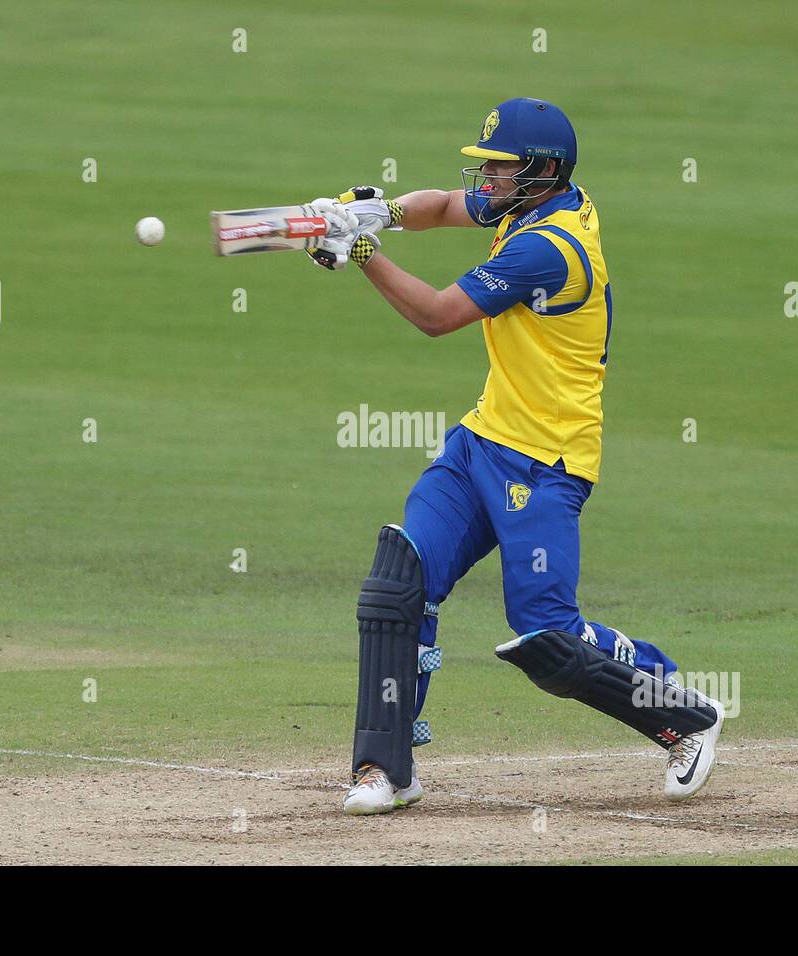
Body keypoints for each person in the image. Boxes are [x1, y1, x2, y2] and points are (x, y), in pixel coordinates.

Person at [308, 98, 723, 816]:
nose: (487, 177)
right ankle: (386, 767)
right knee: (399, 583)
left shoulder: (549, 246)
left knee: (549, 639)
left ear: (543, 171)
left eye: (501, 166)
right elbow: (439, 205)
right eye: (488, 165)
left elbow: (438, 317)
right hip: (481, 443)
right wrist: (370, 209)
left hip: (546, 461)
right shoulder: (529, 199)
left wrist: (362, 250)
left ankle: (680, 709)